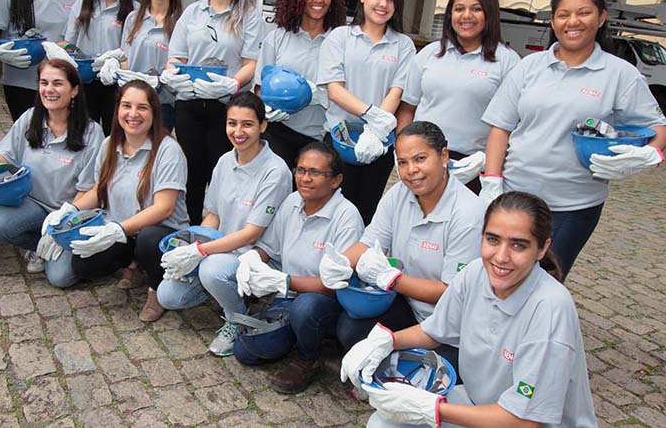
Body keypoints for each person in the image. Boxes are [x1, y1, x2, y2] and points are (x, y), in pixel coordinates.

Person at [342, 192, 598, 428]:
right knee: (383, 424)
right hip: (480, 404)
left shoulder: (551, 308)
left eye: (518, 245)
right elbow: (434, 331)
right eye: (492, 239)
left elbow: (527, 419)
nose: (500, 256)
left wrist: (433, 409)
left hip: (521, 421)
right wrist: (385, 341)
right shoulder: (475, 272)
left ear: (542, 248)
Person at [481, 0, 666, 278]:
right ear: (553, 21)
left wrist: (650, 154)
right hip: (514, 196)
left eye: (584, 13)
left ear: (601, 17)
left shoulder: (620, 74)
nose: (573, 22)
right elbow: (500, 128)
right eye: (563, 14)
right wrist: (491, 181)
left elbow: (656, 126)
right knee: (500, 274)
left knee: (545, 281)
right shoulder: (529, 67)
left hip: (573, 205)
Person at [319, 122, 485, 369]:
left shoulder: (468, 213)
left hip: (451, 324)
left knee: (433, 378)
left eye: (420, 159)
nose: (411, 171)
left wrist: (393, 280)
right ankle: (387, 361)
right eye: (403, 162)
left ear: (443, 156)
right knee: (351, 328)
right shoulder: (400, 194)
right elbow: (369, 242)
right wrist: (340, 262)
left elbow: (450, 291)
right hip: (407, 304)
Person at [39, 80, 189, 321]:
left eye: (142, 108)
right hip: (121, 230)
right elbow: (99, 189)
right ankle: (133, 263)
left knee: (149, 240)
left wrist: (119, 229)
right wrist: (69, 210)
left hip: (161, 233)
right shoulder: (110, 144)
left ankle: (156, 286)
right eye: (126, 106)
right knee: (83, 265)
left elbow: (164, 207)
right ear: (117, 109)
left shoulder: (167, 150)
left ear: (154, 112)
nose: (133, 114)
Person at [155, 92, 292, 355]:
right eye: (232, 123)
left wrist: (201, 252)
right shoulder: (224, 161)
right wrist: (195, 244)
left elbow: (252, 234)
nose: (238, 131)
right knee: (167, 296)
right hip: (220, 249)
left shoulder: (276, 171)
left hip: (256, 255)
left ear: (263, 126)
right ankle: (225, 291)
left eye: (247, 124)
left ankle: (237, 318)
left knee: (212, 270)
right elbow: (214, 215)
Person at [233, 142, 364, 393]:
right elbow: (269, 248)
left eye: (316, 172)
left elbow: (338, 286)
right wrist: (252, 258)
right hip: (287, 298)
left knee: (306, 308)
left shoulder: (347, 217)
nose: (305, 178)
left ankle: (309, 357)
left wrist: (284, 282)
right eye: (301, 170)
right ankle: (297, 334)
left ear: (336, 180)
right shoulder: (293, 201)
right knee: (246, 352)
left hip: (326, 302)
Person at [0, 59, 103, 274]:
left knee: (60, 277)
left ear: (74, 90)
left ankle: (66, 244)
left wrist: (63, 225)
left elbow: (87, 190)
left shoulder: (92, 133)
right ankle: (38, 245)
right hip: (33, 204)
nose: (49, 90)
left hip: (68, 210)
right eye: (44, 83)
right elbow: (5, 155)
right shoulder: (30, 118)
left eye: (57, 83)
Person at [164, 0, 265, 224]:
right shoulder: (193, 13)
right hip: (190, 106)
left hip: (227, 110)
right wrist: (172, 75)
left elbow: (252, 63)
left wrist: (231, 84)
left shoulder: (249, 15)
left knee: (223, 174)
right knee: (192, 175)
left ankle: (221, 233)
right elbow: (176, 57)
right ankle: (190, 229)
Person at [397, 0, 520, 194]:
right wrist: (402, 155)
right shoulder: (429, 54)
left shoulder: (508, 61)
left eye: (476, 9)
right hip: (423, 162)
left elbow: (508, 126)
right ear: (450, 14)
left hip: (474, 167)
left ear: (489, 13)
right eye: (459, 9)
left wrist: (491, 173)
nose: (466, 16)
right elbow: (407, 108)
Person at [317, 0, 415, 224]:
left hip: (379, 145)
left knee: (365, 216)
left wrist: (376, 131)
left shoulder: (403, 45)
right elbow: (335, 89)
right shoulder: (340, 37)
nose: (383, 4)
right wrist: (371, 115)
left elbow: (397, 90)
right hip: (339, 142)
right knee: (331, 215)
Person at [254, 0, 346, 171]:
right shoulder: (277, 38)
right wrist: (267, 109)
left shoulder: (341, 41)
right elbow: (260, 87)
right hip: (280, 132)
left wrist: (322, 96)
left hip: (321, 138)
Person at [61, 0, 135, 135]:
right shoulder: (81, 4)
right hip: (85, 84)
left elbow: (132, 53)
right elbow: (69, 44)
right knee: (84, 136)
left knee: (115, 138)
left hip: (116, 87)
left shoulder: (133, 10)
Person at [115, 0, 183, 132]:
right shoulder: (133, 18)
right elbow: (125, 59)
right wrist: (114, 67)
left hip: (163, 106)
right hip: (133, 106)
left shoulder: (182, 22)